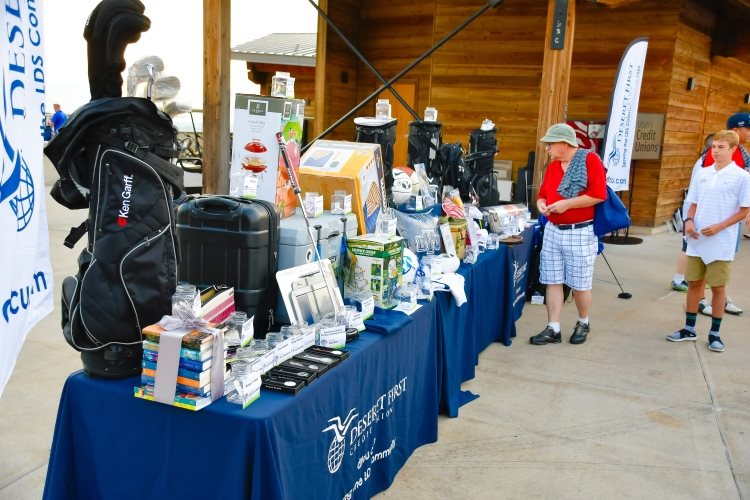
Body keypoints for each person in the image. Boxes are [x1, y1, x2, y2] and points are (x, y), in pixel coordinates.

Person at [666, 130, 750, 352]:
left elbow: (744, 211)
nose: (716, 151)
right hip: (697, 239)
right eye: (714, 147)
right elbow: (692, 201)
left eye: (721, 148)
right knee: (694, 283)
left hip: (721, 241)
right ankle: (689, 328)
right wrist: (689, 221)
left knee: (718, 288)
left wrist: (720, 226)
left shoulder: (742, 177)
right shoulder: (702, 173)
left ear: (733, 149)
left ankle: (715, 333)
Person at [530, 123, 607, 346]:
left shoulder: (590, 161)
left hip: (580, 231)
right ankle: (553, 327)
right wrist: (542, 204)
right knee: (552, 279)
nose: (548, 148)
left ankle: (583, 322)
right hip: (554, 230)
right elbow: (543, 195)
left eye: (551, 144)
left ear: (564, 144)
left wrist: (567, 205)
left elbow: (598, 194)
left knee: (580, 283)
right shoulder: (553, 167)